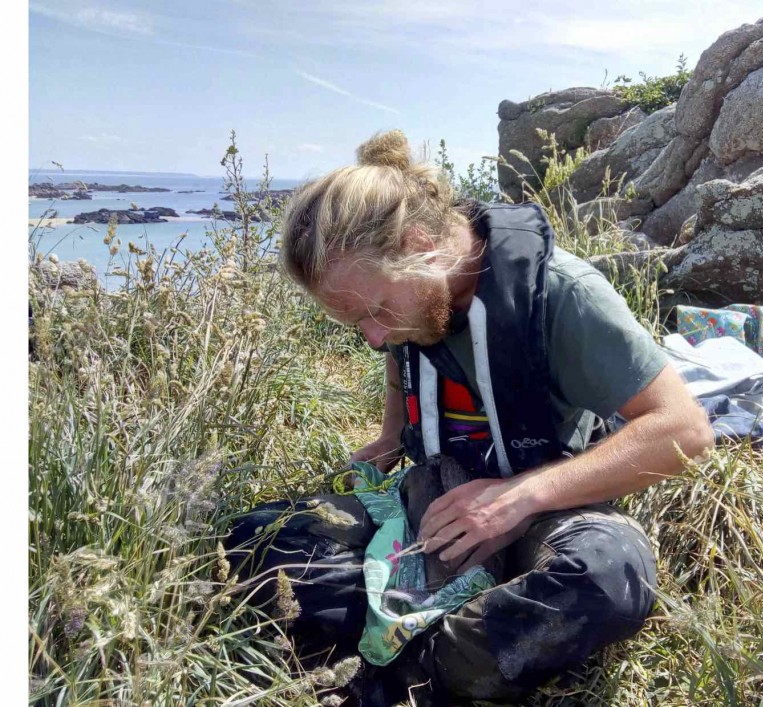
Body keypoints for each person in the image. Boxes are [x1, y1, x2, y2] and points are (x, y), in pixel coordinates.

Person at [227, 130, 714, 705]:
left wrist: (519, 497)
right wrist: (390, 435)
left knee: (608, 579)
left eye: (378, 311)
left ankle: (402, 682)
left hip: (549, 504)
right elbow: (402, 354)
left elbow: (685, 431)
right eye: (358, 323)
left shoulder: (562, 294)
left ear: (417, 243)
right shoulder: (410, 295)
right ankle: (460, 634)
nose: (375, 337)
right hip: (432, 502)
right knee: (255, 542)